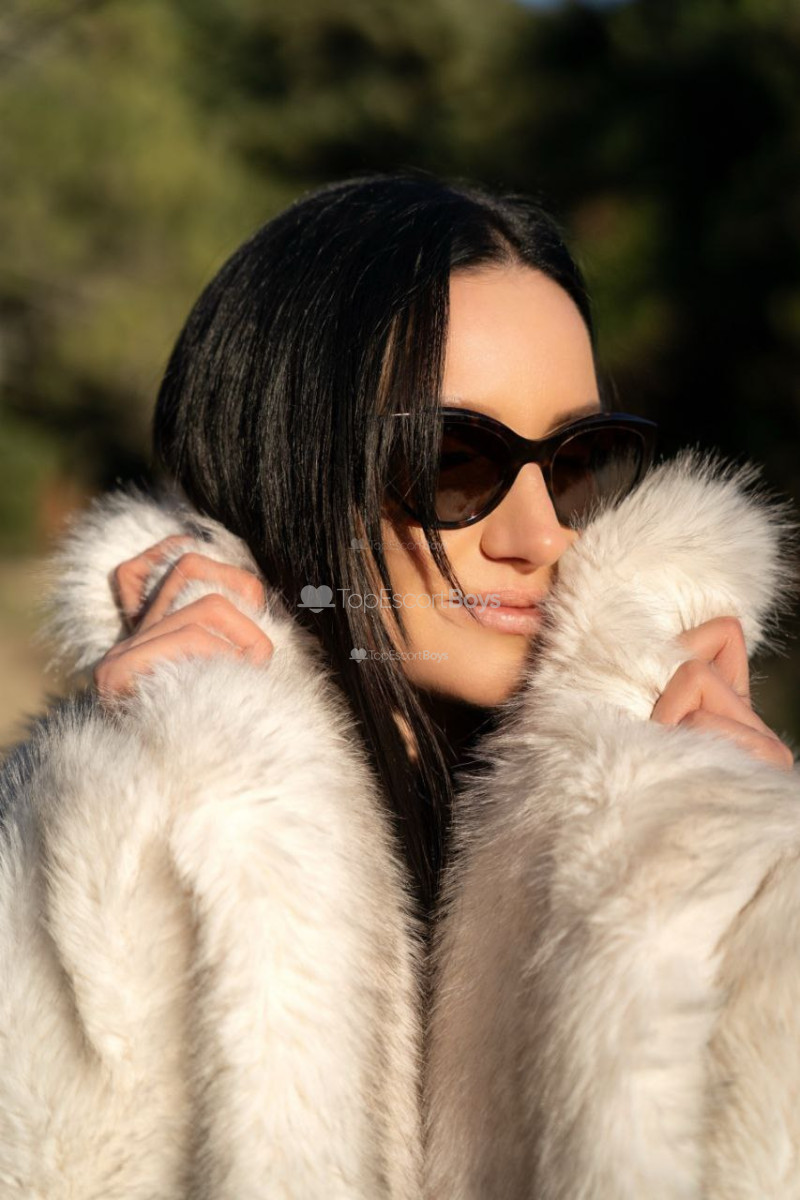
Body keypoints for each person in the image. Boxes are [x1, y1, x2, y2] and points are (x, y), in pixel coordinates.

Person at [0, 172, 798, 1199]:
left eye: (576, 460)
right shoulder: (98, 830)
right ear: (284, 465)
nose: (538, 535)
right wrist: (102, 824)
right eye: (452, 460)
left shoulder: (708, 814)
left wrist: (754, 889)